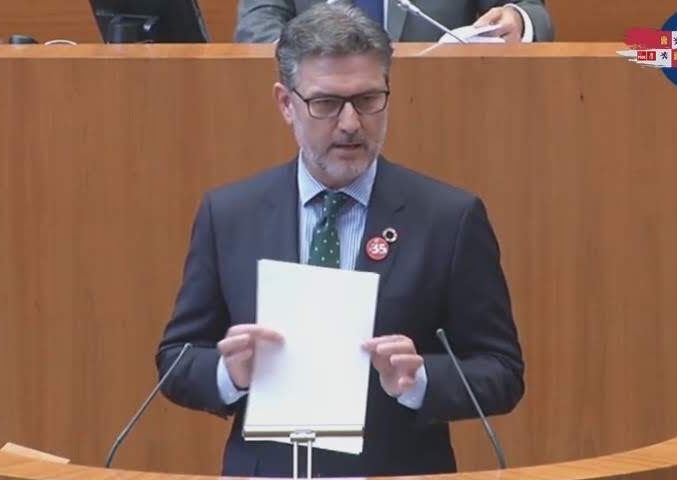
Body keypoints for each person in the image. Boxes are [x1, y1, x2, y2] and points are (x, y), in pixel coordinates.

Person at [157, 3, 523, 477]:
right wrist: (229, 374)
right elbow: (177, 361)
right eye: (326, 103)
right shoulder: (230, 214)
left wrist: (420, 380)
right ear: (285, 104)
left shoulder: (448, 218)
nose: (350, 123)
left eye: (368, 99)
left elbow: (500, 371)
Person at [235, 0, 554, 43]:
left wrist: (517, 20)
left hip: (438, 111)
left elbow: (531, 12)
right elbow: (258, 25)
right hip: (317, 118)